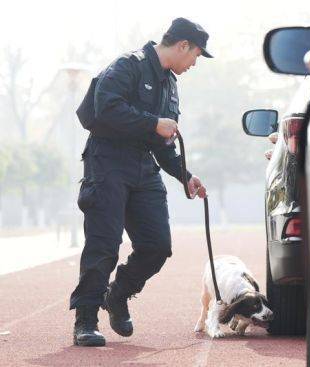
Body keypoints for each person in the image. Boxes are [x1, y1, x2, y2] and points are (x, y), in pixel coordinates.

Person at [70, 17, 213, 347]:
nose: (194, 64)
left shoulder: (169, 84)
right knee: (104, 243)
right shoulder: (128, 65)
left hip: (143, 167)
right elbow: (105, 108)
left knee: (157, 245)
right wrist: (153, 123)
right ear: (182, 46)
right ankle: (86, 320)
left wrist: (185, 175)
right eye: (195, 56)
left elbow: (163, 142)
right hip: (108, 160)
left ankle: (116, 295)